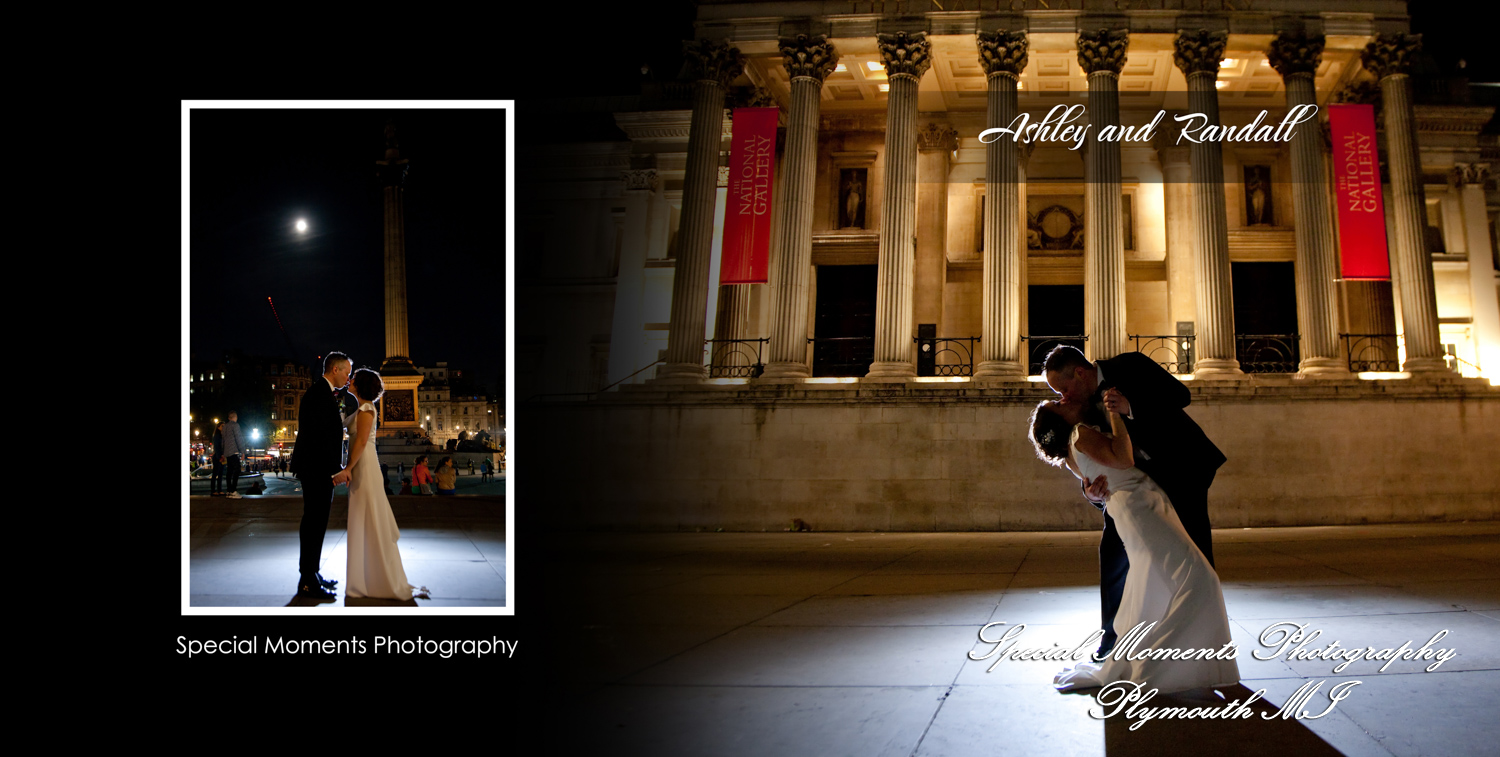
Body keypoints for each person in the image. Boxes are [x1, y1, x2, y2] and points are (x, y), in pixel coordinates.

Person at [1029, 396, 1238, 694]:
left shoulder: (1070, 456)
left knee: (1151, 588)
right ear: (1060, 421)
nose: (1066, 401)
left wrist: (1091, 492)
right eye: (1058, 405)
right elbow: (1123, 458)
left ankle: (1151, 659)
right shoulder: (1080, 433)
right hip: (1141, 510)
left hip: (1134, 510)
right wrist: (1116, 415)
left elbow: (1100, 478)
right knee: (1200, 579)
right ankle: (1156, 668)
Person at [1043, 345, 1226, 662]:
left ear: (1081, 372)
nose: (1065, 396)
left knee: (1196, 549)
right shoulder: (1081, 407)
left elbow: (1180, 395)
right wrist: (1089, 493)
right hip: (1135, 489)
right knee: (1113, 553)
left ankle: (1205, 638)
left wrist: (1131, 406)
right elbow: (1087, 459)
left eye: (1064, 388)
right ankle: (1112, 640)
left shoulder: (1130, 365)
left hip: (1182, 470)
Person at [337, 368, 428, 600]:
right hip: (362, 465)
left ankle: (374, 578)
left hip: (364, 465)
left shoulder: (367, 409)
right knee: (366, 517)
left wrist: (347, 469)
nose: (350, 381)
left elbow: (361, 443)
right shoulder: (361, 408)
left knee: (368, 516)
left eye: (354, 379)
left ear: (362, 385)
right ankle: (371, 576)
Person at [287, 352, 351, 601]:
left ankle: (312, 574)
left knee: (316, 523)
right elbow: (320, 438)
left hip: (317, 467)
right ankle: (307, 581)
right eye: (346, 371)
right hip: (317, 469)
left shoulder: (322, 393)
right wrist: (336, 469)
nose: (348, 377)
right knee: (314, 523)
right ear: (335, 369)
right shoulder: (319, 394)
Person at [222, 412, 245, 499]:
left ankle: (228, 490)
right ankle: (233, 490)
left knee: (229, 471)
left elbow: (223, 440)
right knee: (237, 470)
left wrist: (223, 452)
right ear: (235, 417)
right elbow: (238, 438)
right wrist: (242, 451)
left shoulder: (225, 427)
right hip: (234, 451)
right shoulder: (235, 425)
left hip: (227, 452)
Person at [210, 422, 226, 496]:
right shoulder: (217, 436)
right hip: (218, 457)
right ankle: (213, 490)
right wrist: (220, 456)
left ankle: (219, 490)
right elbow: (217, 447)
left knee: (220, 474)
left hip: (222, 456)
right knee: (215, 474)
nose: (224, 427)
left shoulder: (222, 436)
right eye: (222, 426)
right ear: (218, 427)